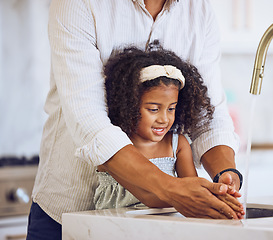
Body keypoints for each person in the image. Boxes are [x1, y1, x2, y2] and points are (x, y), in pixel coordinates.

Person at [27, 1, 242, 239]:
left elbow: (208, 116)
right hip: (65, 212)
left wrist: (226, 175)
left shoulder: (198, 9)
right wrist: (172, 189)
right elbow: (91, 123)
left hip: (157, 226)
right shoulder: (79, 3)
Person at [94, 46, 244, 214]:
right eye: (153, 109)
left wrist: (218, 191)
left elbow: (193, 188)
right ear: (127, 106)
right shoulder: (114, 146)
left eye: (171, 108)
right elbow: (150, 196)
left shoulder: (177, 144)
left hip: (167, 228)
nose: (164, 119)